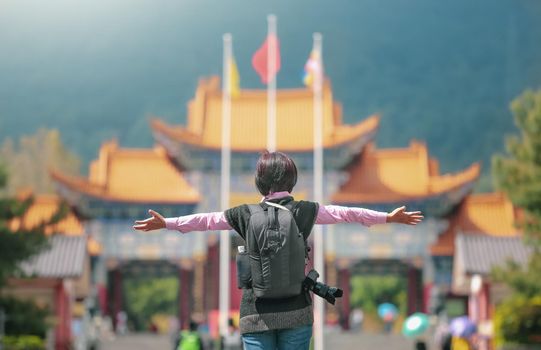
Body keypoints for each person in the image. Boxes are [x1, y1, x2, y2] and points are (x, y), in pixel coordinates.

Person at [134, 151, 423, 350]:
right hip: (296, 311)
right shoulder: (305, 211)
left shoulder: (244, 214)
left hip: (254, 313)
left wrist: (167, 223)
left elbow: (205, 221)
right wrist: (387, 217)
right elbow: (346, 213)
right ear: (292, 181)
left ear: (260, 183)